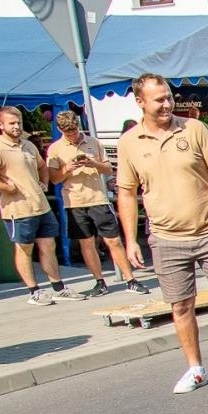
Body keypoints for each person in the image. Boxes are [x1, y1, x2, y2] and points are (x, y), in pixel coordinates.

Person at [114, 74, 208, 391]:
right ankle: (195, 368)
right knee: (181, 305)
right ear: (140, 102)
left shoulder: (193, 129)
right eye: (159, 99)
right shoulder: (129, 142)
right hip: (166, 237)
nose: (167, 104)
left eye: (169, 97)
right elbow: (127, 193)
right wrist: (130, 240)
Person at [0, 106, 85, 305]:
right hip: (18, 209)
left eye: (19, 122)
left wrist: (44, 182)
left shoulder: (28, 145)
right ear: (0, 125)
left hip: (40, 205)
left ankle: (58, 288)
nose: (16, 126)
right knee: (24, 248)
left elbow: (42, 166)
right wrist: (6, 187)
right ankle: (34, 291)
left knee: (48, 246)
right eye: (12, 123)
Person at [47, 110, 145, 296]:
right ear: (60, 130)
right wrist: (67, 168)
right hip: (74, 202)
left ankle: (130, 279)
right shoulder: (55, 149)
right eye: (68, 133)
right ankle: (99, 281)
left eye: (75, 130)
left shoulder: (94, 142)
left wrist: (94, 164)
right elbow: (54, 179)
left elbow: (108, 168)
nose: (73, 135)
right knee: (87, 243)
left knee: (113, 240)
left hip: (98, 198)